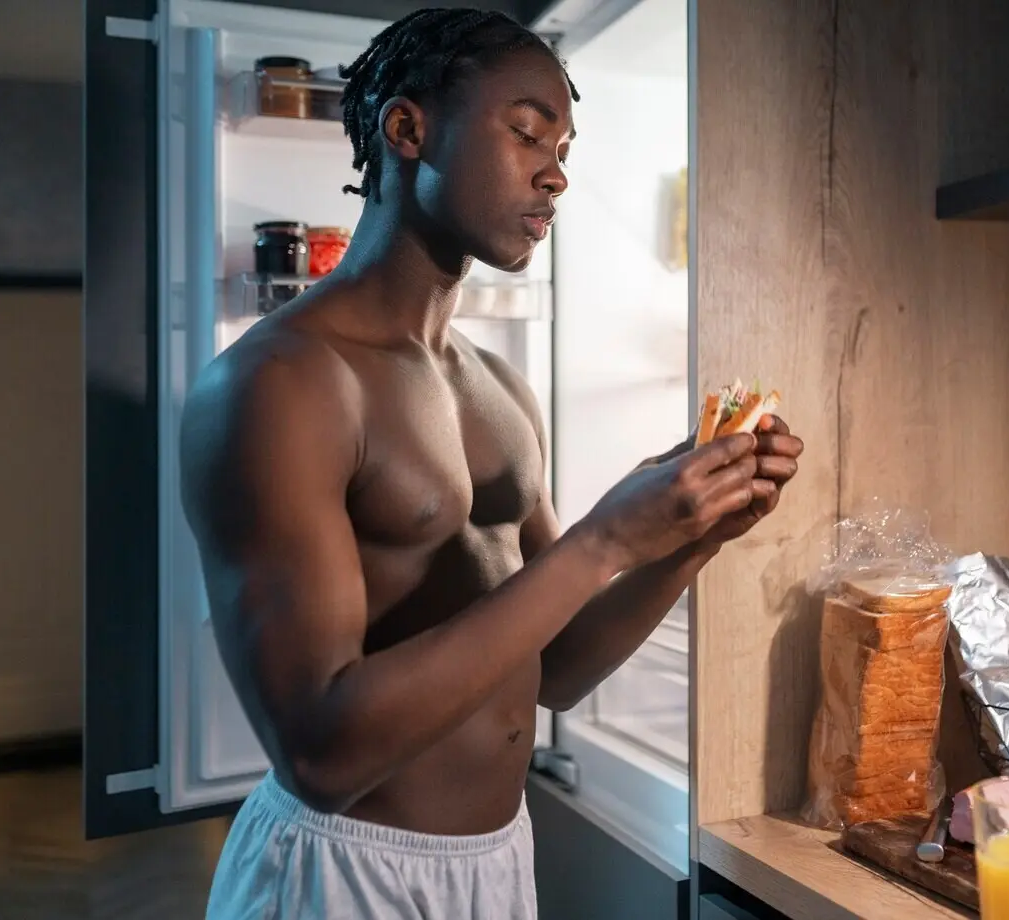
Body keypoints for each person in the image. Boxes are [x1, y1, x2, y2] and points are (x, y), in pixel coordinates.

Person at [183, 8, 803, 919]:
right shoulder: (282, 384)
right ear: (408, 129)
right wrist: (602, 540)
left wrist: (687, 539)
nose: (554, 172)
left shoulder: (500, 391)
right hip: (342, 872)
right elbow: (321, 757)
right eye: (524, 133)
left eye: (564, 147)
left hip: (498, 861)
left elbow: (556, 668)